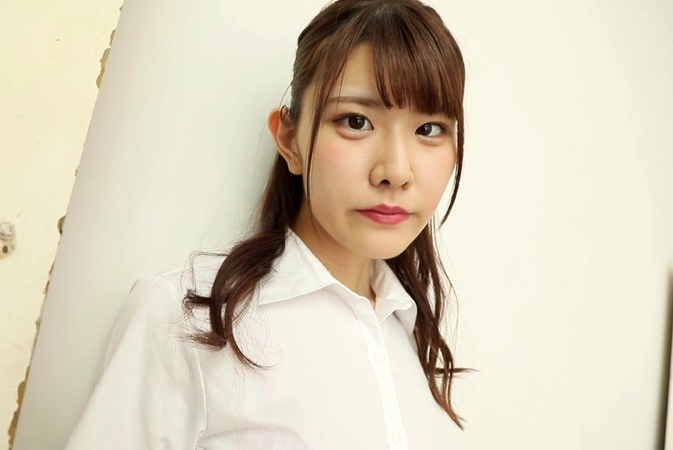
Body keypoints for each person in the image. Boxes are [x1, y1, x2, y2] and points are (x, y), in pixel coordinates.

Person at [66, 0, 466, 448]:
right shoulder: (185, 318)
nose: (396, 171)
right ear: (290, 140)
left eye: (429, 129)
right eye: (356, 121)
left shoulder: (409, 329)